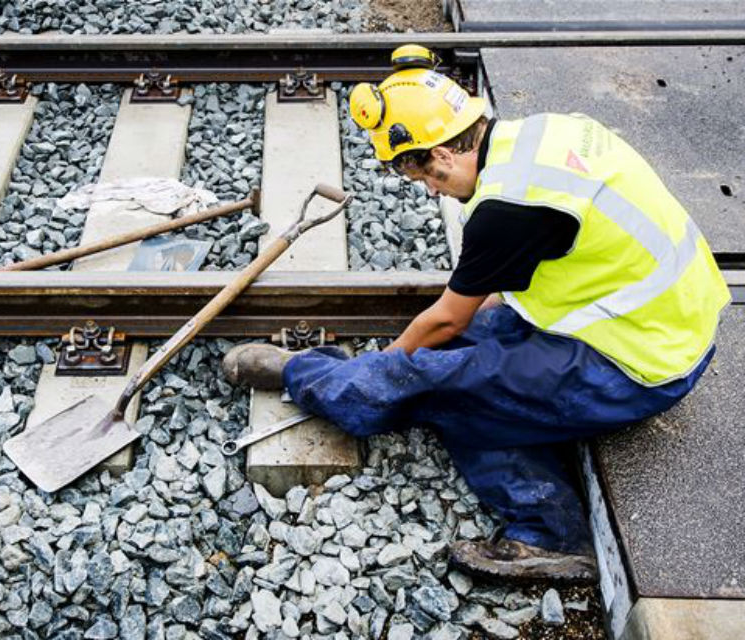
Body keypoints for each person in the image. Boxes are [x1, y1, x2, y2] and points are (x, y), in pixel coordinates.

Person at [221, 45, 730, 582]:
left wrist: (390, 366)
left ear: (439, 156)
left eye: (426, 180)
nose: (432, 190)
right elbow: (487, 295)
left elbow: (446, 319)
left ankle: (552, 539)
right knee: (459, 367)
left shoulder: (508, 210)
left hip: (635, 367)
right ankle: (343, 376)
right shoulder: (543, 134)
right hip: (645, 321)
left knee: (436, 386)